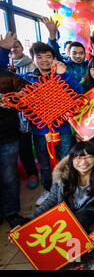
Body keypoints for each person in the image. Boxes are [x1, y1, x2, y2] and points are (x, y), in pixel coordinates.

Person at [0, 35, 84, 207]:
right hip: (40, 132)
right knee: (45, 165)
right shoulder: (28, 80)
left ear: (54, 58)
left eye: (48, 56)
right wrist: (10, 103)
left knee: (67, 161)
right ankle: (48, 190)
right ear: (33, 59)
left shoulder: (63, 73)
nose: (44, 60)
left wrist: (64, 76)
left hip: (63, 129)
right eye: (39, 57)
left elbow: (79, 92)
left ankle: (69, 191)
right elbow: (21, 101)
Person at [11, 141, 94, 233]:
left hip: (88, 217)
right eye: (78, 158)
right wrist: (27, 222)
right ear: (71, 160)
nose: (83, 162)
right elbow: (51, 201)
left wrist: (93, 232)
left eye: (88, 157)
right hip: (64, 214)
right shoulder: (62, 176)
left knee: (80, 220)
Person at [7, 39, 39, 188]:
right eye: (11, 48)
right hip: (12, 113)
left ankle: (33, 173)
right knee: (19, 146)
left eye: (17, 47)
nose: (14, 50)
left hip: (30, 111)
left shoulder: (32, 64)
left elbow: (33, 88)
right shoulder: (5, 67)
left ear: (21, 48)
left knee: (29, 145)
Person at [0, 53, 27, 227]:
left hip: (7, 134)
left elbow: (25, 91)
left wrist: (16, 100)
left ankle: (11, 212)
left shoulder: (7, 73)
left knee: (9, 176)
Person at [43, 17, 94, 84]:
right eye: (74, 53)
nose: (78, 56)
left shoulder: (89, 65)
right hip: (68, 93)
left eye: (81, 53)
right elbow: (55, 52)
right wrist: (52, 35)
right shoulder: (64, 65)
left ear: (85, 54)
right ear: (69, 53)